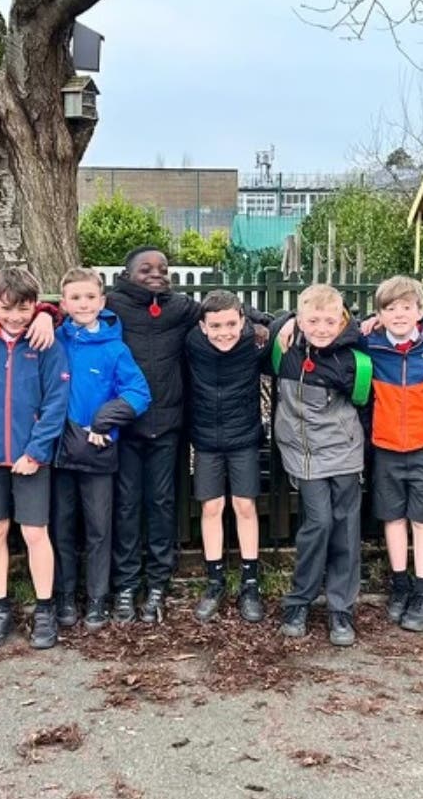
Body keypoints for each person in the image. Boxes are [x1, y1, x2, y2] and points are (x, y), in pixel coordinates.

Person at [105, 246, 269, 624]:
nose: (156, 273)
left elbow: (223, 312)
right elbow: (74, 315)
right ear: (128, 274)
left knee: (162, 503)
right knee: (127, 505)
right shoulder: (112, 305)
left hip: (168, 425)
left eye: (162, 268)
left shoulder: (180, 307)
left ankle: (160, 582)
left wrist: (267, 321)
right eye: (145, 268)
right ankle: (128, 584)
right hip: (126, 424)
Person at [0, 268, 70, 650]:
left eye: (24, 308)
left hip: (31, 457)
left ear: (34, 306)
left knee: (36, 532)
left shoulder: (47, 344)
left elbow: (57, 401)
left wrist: (36, 451)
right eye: (7, 308)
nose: (15, 316)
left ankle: (44, 609)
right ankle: (0, 607)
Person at [268, 284, 372, 647]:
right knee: (318, 522)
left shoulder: (354, 359)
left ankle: (341, 609)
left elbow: (363, 404)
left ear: (343, 319)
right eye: (313, 320)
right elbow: (254, 319)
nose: (323, 327)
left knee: (344, 526)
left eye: (331, 320)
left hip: (343, 451)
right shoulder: (284, 347)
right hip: (302, 452)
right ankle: (299, 601)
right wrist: (283, 321)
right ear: (300, 318)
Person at [52, 267, 151, 632]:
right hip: (58, 451)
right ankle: (63, 595)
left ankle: (97, 597)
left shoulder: (114, 348)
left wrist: (105, 419)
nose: (83, 304)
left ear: (102, 301)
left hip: (97, 450)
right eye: (75, 298)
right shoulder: (52, 341)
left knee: (98, 528)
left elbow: (139, 393)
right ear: (63, 304)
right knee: (61, 526)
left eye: (90, 297)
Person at [364, 276, 423, 633]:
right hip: (385, 446)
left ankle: (422, 592)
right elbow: (327, 325)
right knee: (393, 518)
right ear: (379, 314)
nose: (399, 314)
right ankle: (399, 584)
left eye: (406, 307)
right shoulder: (369, 342)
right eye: (390, 308)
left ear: (420, 311)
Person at [185, 290, 266, 623]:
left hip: (243, 436)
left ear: (242, 320)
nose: (224, 332)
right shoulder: (191, 343)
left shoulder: (253, 341)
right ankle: (214, 579)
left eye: (231, 323)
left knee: (245, 505)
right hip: (205, 439)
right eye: (216, 325)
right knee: (211, 507)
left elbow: (286, 319)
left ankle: (250, 581)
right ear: (203, 326)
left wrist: (267, 321)